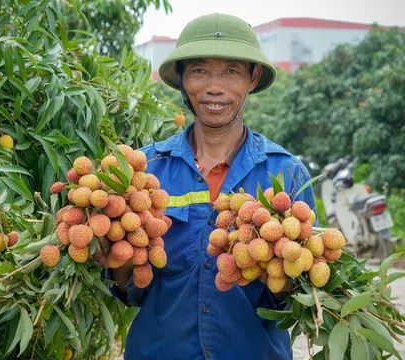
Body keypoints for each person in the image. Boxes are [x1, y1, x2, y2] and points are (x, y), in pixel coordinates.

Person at [106, 13, 316, 360]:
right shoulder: (142, 171)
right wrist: (115, 250)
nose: (214, 87)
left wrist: (282, 260)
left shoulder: (287, 174)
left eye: (231, 71)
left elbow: (295, 298)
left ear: (253, 78)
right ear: (183, 80)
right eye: (200, 71)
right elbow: (130, 291)